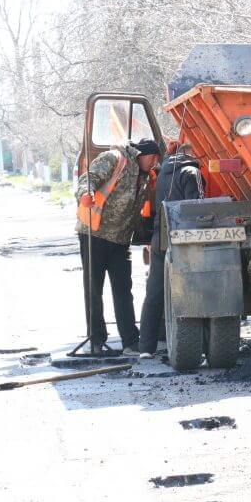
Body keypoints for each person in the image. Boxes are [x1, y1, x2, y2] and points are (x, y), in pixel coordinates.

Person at [76, 138, 161, 356]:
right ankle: (96, 340)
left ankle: (131, 343)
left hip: (120, 240)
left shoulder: (145, 174)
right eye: (153, 158)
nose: (154, 163)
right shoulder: (115, 159)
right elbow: (89, 178)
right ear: (142, 154)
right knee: (94, 288)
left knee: (123, 290)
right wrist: (86, 195)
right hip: (94, 235)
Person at [139, 142, 206, 354]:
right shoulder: (191, 172)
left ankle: (145, 347)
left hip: (161, 236)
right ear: (191, 153)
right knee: (192, 290)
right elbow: (195, 207)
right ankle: (196, 346)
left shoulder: (164, 173)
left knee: (155, 291)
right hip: (182, 237)